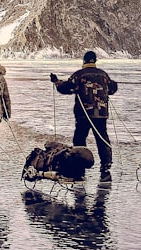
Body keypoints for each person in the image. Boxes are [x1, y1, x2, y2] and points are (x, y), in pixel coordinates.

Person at [51, 51, 118, 182]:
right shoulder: (103, 75)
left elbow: (66, 88)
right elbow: (112, 88)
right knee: (102, 137)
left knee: (79, 139)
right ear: (95, 61)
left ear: (84, 61)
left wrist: (56, 81)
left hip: (84, 114)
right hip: (101, 114)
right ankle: (106, 164)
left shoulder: (79, 75)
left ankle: (79, 164)